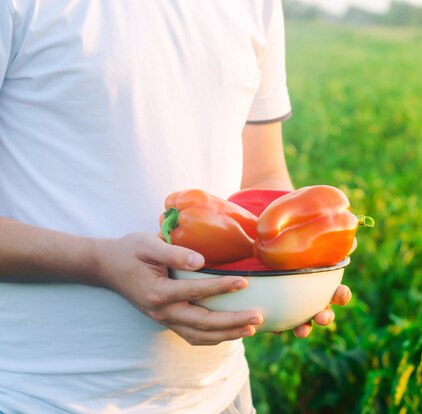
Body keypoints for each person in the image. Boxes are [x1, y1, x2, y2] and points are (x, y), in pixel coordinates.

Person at [0, 1, 352, 412]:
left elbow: (263, 177)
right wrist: (97, 262)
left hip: (219, 393)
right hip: (32, 395)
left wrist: (295, 279)